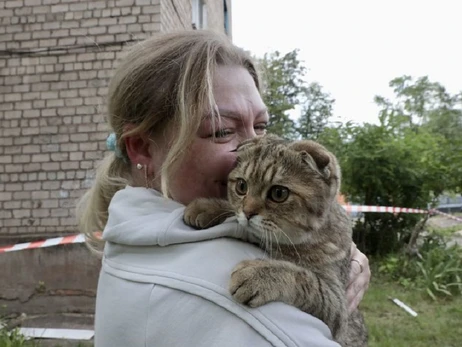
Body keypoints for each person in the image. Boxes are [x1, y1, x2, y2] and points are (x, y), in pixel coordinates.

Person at [77, 30, 370, 347]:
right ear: (143, 148)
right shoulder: (249, 315)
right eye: (222, 130)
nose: (253, 147)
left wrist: (343, 257)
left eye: (260, 125)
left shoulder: (126, 235)